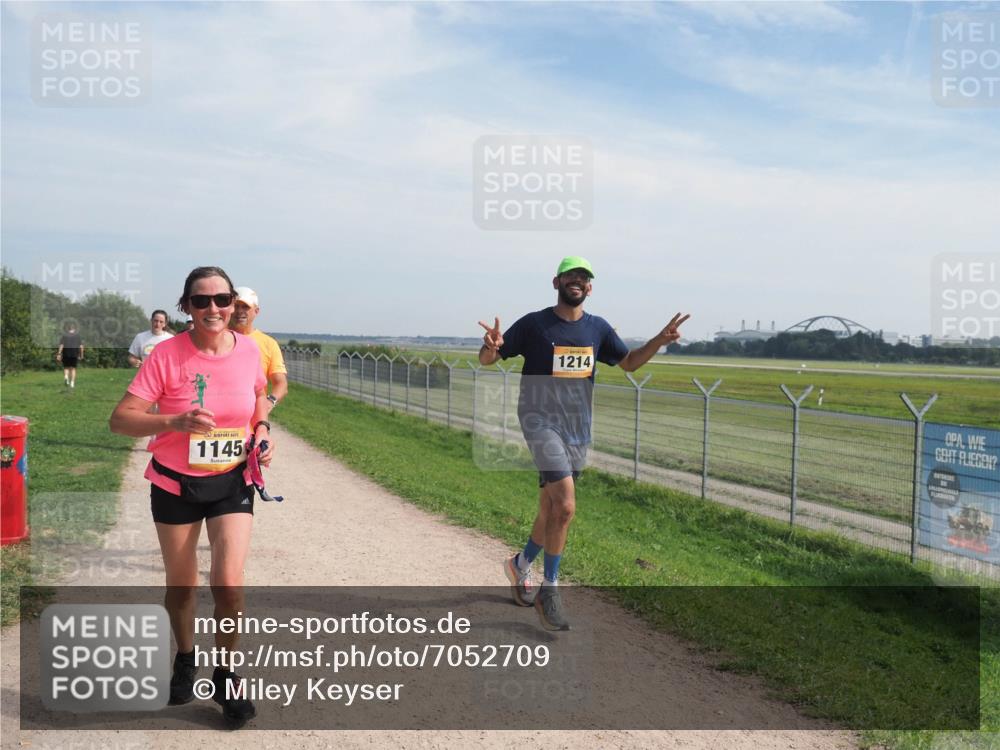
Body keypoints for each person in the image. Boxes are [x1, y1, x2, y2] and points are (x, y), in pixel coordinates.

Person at [478, 256, 689, 631]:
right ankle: (551, 589)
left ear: (589, 288)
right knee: (567, 505)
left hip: (577, 428)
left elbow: (628, 363)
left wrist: (659, 340)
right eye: (571, 275)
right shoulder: (534, 324)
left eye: (584, 277)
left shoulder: (598, 329)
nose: (577, 281)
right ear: (556, 281)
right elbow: (489, 359)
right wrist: (491, 348)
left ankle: (520, 564)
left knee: (551, 508)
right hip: (539, 421)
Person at [110, 267, 274, 728]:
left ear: (233, 303)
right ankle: (186, 658)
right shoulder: (165, 356)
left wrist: (262, 428)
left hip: (232, 479)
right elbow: (120, 419)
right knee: (181, 587)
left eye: (222, 300)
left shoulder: (248, 352)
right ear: (186, 307)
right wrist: (173, 423)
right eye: (201, 302)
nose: (214, 309)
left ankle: (225, 675)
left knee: (229, 584)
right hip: (174, 482)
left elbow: (259, 396)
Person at [228, 287, 288, 411]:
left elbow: (281, 383)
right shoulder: (215, 338)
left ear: (256, 311)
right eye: (236, 306)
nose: (239, 311)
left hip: (253, 422)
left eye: (245, 307)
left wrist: (270, 401)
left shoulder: (268, 344)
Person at [56, 323, 84, 388]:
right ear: (74, 329)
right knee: (73, 369)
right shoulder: (77, 336)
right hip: (74, 354)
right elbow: (81, 346)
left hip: (66, 353)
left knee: (66, 367)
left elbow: (61, 345)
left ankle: (66, 377)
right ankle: (72, 383)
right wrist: (81, 355)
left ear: (68, 329)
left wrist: (59, 353)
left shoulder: (64, 336)